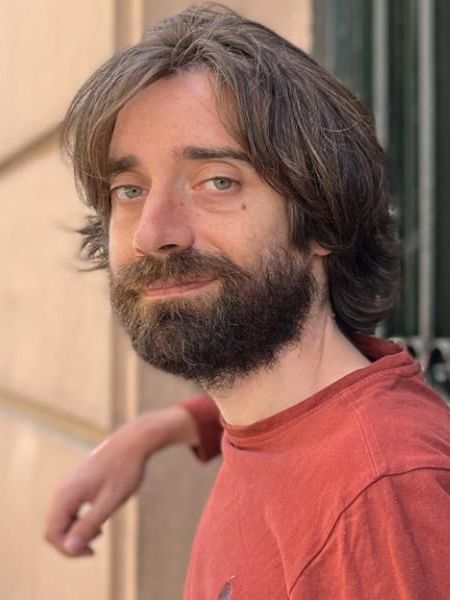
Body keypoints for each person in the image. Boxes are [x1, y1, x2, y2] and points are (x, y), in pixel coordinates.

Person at [45, 5, 450, 598]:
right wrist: (163, 429)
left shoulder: (384, 499)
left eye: (218, 181)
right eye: (129, 190)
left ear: (321, 219)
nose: (152, 233)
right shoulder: (270, 418)